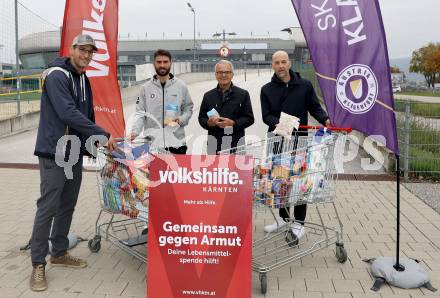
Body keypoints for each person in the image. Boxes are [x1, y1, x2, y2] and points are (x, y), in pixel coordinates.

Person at [31, 34, 116, 292]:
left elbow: (85, 114)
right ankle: (37, 264)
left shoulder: (82, 78)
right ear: (72, 49)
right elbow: (67, 112)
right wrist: (102, 134)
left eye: (91, 52)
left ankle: (58, 252)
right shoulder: (57, 75)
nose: (87, 55)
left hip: (74, 152)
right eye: (83, 50)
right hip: (55, 152)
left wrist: (91, 144)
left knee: (67, 204)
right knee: (48, 206)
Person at [260, 50, 330, 239]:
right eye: (277, 62)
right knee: (280, 183)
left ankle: (299, 223)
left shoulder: (304, 86)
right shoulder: (266, 89)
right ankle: (283, 219)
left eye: (284, 62)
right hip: (278, 142)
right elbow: (266, 116)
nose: (281, 66)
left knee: (299, 183)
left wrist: (325, 120)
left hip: (299, 143)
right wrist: (285, 125)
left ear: (289, 63)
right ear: (272, 65)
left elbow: (315, 107)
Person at [130, 49, 194, 154]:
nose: (162, 65)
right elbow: (140, 114)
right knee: (154, 171)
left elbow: (188, 108)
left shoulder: (181, 86)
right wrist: (135, 131)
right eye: (159, 62)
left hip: (177, 143)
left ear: (170, 63)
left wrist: (181, 119)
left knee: (177, 171)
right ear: (154, 64)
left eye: (165, 62)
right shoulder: (145, 88)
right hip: (153, 145)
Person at [198, 60, 254, 154]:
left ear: (232, 74)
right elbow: (201, 118)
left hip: (236, 145)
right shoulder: (208, 96)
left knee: (235, 169)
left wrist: (234, 123)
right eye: (220, 72)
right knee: (215, 169)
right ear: (215, 75)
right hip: (214, 145)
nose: (223, 75)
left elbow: (250, 118)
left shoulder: (243, 94)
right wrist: (208, 123)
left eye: (227, 72)